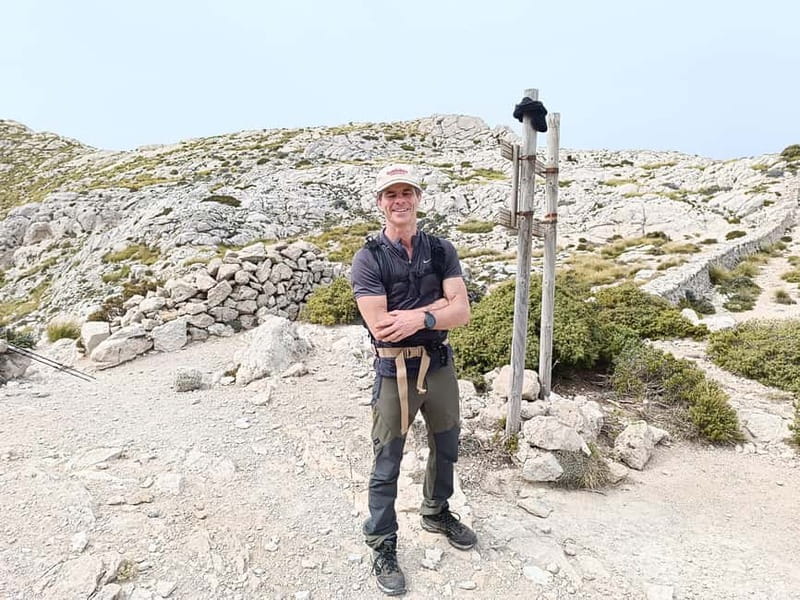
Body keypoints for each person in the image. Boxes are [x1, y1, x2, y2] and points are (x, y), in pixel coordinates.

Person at [350, 163, 477, 596]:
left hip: (438, 362)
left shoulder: (441, 250)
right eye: (391, 194)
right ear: (380, 203)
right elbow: (382, 326)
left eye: (407, 192)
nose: (399, 200)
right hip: (394, 369)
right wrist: (440, 303)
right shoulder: (369, 257)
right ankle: (382, 542)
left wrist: (423, 315)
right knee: (387, 458)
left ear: (418, 198)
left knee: (447, 445)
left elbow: (463, 313)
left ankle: (436, 511)